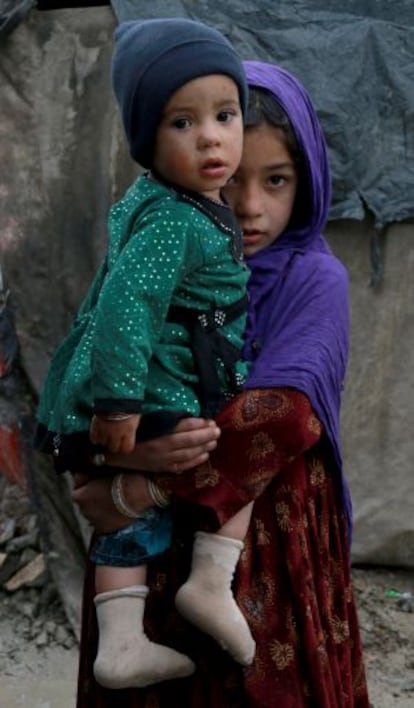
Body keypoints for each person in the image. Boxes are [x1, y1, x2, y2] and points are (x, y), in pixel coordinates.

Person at [73, 60, 371, 707]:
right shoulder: (156, 254)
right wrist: (108, 449)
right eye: (234, 180)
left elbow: (283, 415)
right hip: (150, 561)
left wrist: (137, 484)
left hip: (266, 546)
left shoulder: (314, 281)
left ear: (310, 180)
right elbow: (99, 377)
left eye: (278, 180)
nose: (250, 206)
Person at [35, 17, 257, 690]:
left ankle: (123, 641)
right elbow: (125, 304)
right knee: (244, 459)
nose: (211, 136)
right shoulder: (175, 221)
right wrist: (121, 403)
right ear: (145, 140)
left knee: (133, 512)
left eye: (225, 114)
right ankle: (211, 582)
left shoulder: (176, 205)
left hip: (148, 388)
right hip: (153, 394)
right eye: (180, 123)